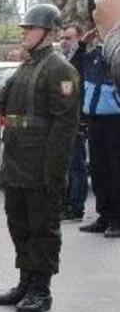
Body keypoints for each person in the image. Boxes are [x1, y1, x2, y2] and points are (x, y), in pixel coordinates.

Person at [0, 4, 80, 312]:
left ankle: (41, 290)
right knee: (20, 226)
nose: (24, 32)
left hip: (40, 165)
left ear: (49, 32)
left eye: (30, 27)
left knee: (43, 229)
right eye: (24, 28)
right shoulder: (27, 66)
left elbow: (65, 126)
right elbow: (0, 106)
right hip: (17, 164)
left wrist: (54, 173)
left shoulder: (60, 70)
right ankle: (25, 282)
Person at [69, 16, 120, 238]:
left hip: (115, 121)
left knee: (115, 171)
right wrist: (81, 44)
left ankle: (117, 219)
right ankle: (104, 215)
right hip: (95, 121)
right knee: (99, 171)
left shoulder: (114, 55)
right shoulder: (91, 56)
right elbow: (71, 68)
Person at [59, 23, 90, 222]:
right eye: (62, 38)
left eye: (68, 38)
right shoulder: (64, 59)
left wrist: (81, 48)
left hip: (76, 121)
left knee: (76, 167)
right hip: (63, 121)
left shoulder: (80, 59)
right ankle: (67, 204)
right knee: (67, 167)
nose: (64, 41)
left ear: (79, 39)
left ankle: (76, 207)